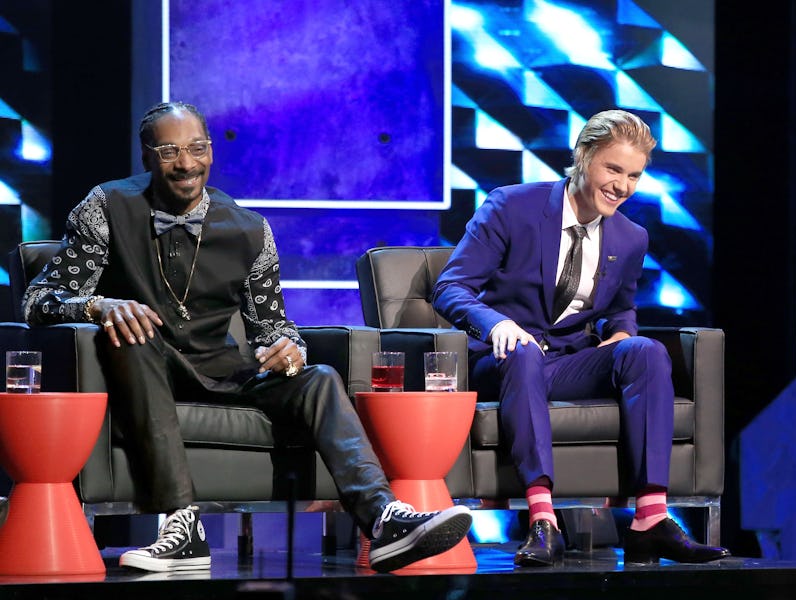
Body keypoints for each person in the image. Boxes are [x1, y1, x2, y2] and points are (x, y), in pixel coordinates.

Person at [21, 101, 472, 574]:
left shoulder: (250, 229)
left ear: (212, 151)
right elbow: (39, 299)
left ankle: (380, 518)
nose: (187, 163)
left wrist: (289, 349)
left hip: (224, 370)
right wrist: (99, 305)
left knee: (316, 376)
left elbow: (272, 324)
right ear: (147, 157)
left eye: (197, 148)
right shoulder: (107, 206)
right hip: (143, 365)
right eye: (170, 151)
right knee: (133, 332)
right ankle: (182, 526)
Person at [431, 109, 730, 567]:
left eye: (634, 175)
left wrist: (621, 334)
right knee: (524, 350)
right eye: (614, 169)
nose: (623, 186)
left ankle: (649, 517)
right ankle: (542, 519)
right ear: (583, 156)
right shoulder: (512, 206)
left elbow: (620, 307)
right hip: (503, 361)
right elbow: (450, 287)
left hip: (567, 362)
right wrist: (495, 324)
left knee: (645, 351)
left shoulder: (631, 237)